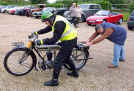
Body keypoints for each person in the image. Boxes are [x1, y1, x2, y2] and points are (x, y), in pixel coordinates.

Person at [33, 11, 78, 86]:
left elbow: (54, 40)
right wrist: (37, 32)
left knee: (58, 60)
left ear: (50, 19)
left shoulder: (59, 23)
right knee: (66, 58)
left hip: (69, 41)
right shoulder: (54, 20)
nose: (45, 23)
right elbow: (48, 28)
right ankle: (75, 73)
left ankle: (55, 81)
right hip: (69, 39)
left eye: (45, 21)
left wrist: (41, 41)